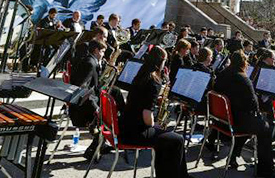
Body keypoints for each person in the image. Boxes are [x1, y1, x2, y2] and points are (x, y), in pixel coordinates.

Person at [118, 46, 188, 177]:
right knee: (177, 139)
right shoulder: (154, 81)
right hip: (137, 132)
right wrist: (154, 125)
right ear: (160, 61)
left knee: (165, 138)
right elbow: (146, 113)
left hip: (126, 126)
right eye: (165, 61)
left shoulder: (141, 74)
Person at [213, 50, 274, 177]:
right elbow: (253, 105)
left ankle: (234, 155)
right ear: (243, 63)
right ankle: (265, 170)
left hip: (222, 120)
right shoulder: (243, 78)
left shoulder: (223, 73)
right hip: (236, 121)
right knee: (266, 128)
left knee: (253, 123)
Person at [69, 40, 107, 159]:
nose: (103, 54)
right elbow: (83, 90)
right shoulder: (90, 63)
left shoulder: (89, 60)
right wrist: (96, 108)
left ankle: (99, 145)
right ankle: (93, 151)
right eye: (102, 51)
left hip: (86, 101)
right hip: (83, 107)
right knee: (109, 117)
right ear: (96, 51)